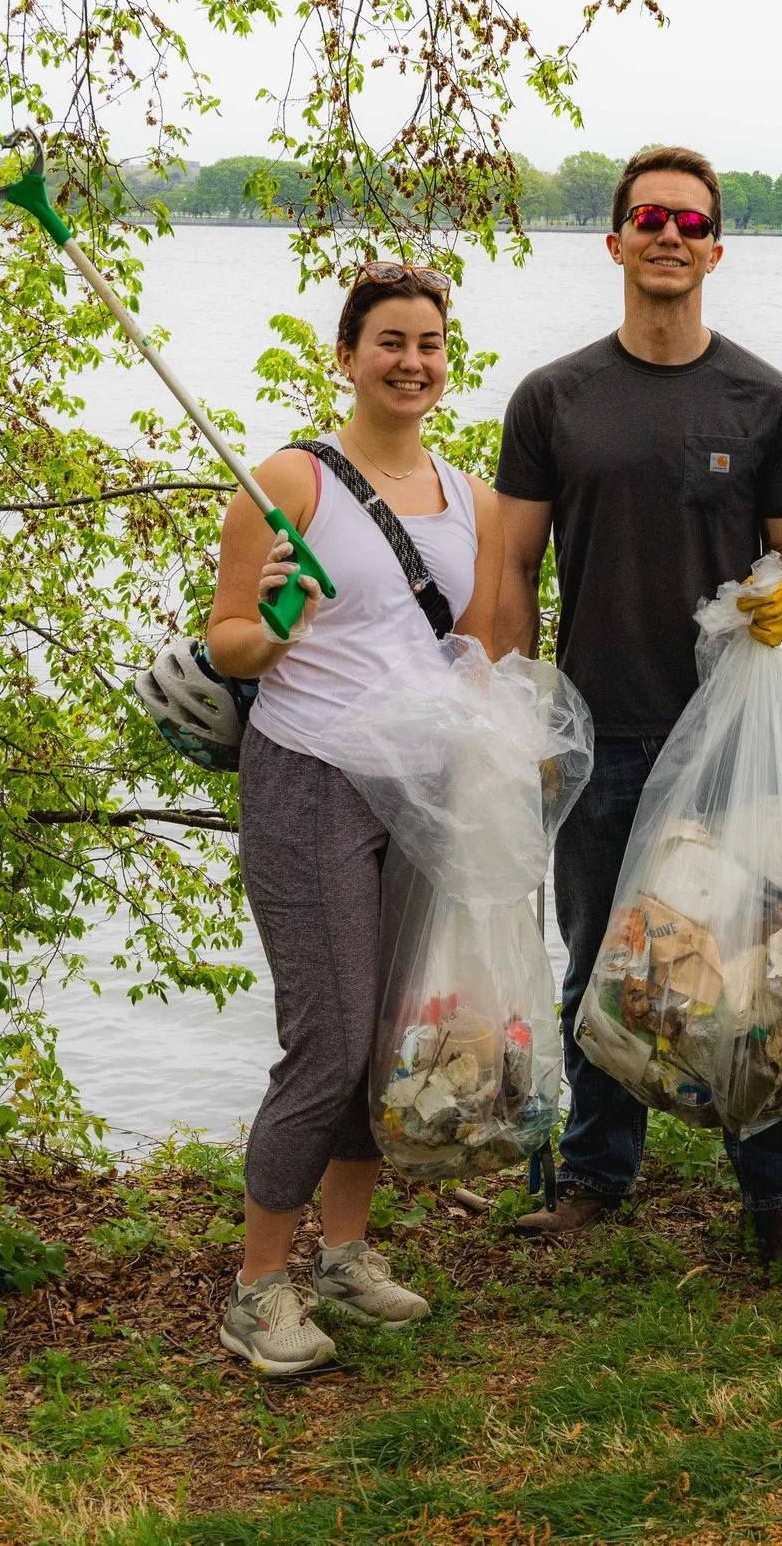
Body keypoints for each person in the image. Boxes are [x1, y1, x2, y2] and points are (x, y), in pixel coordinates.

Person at [494, 146, 782, 1264]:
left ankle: (781, 1195)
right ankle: (597, 1174)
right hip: (599, 729)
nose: (668, 235)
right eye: (648, 217)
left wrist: (781, 601)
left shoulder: (767, 400)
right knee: (602, 957)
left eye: (690, 223)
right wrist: (515, 714)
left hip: (733, 740)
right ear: (614, 241)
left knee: (768, 953)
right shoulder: (554, 397)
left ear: (715, 249)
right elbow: (507, 569)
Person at [202, 262, 506, 1375]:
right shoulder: (288, 481)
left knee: (384, 1039)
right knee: (325, 1038)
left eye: (429, 342)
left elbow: (462, 650)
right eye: (389, 340)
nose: (411, 361)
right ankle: (253, 1289)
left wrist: (485, 762)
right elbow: (228, 641)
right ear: (346, 355)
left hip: (416, 783)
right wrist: (279, 623)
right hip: (311, 773)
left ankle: (344, 1252)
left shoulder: (466, 495)